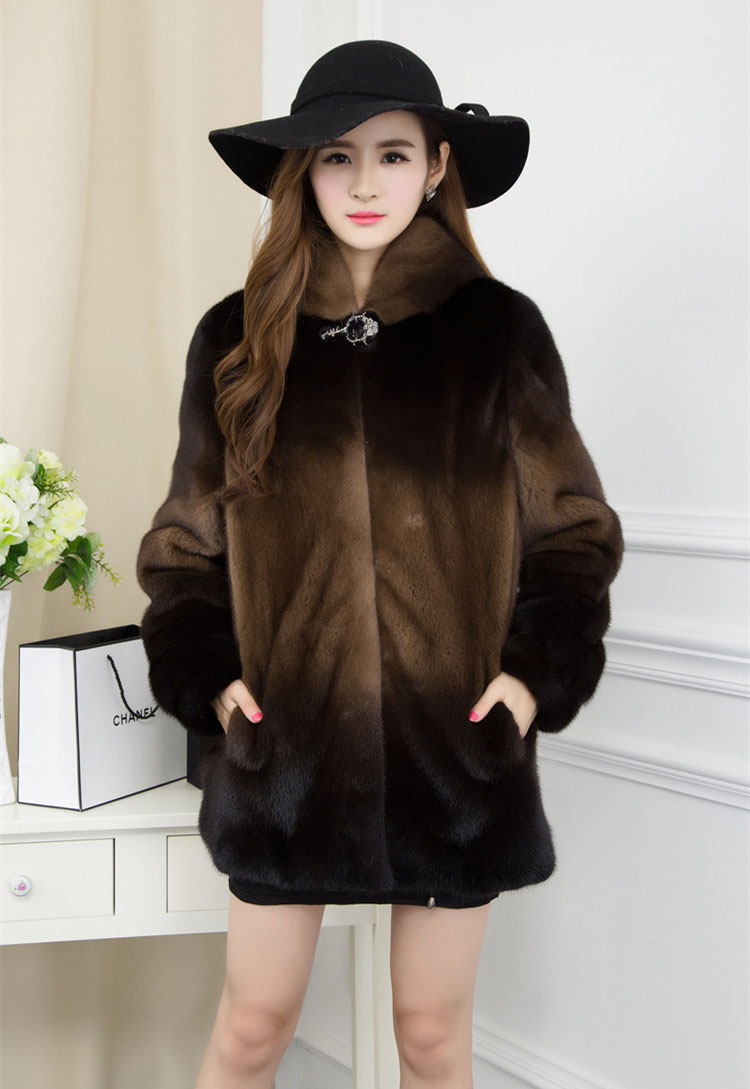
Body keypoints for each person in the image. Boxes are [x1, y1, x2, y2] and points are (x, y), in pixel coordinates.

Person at [136, 38, 624, 1089]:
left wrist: (532, 679)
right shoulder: (237, 341)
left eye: (393, 155)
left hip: (455, 752)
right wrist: (210, 676)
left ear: (438, 166)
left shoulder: (498, 335)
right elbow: (184, 547)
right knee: (253, 1027)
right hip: (285, 753)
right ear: (302, 172)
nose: (364, 185)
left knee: (432, 1038)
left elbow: (573, 531)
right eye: (336, 157)